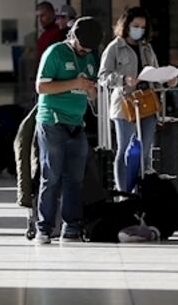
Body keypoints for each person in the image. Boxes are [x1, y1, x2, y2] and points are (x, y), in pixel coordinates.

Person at [34, 17, 103, 244]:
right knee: (51, 176)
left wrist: (91, 92)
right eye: (82, 47)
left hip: (77, 124)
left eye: (89, 49)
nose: (85, 52)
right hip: (52, 121)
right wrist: (74, 83)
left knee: (75, 179)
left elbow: (90, 91)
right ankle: (44, 228)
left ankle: (71, 227)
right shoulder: (55, 53)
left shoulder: (90, 57)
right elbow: (41, 86)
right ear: (72, 36)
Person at [98, 7, 178, 192]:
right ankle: (124, 192)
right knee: (125, 149)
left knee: (145, 150)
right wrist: (123, 79)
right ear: (126, 26)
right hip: (125, 103)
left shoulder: (146, 48)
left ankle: (142, 192)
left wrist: (167, 81)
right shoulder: (114, 47)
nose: (139, 30)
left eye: (142, 27)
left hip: (147, 102)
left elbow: (155, 75)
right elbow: (103, 76)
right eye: (136, 26)